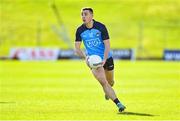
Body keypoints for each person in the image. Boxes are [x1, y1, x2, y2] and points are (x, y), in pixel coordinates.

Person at [74, 7, 126, 112]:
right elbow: (77, 48)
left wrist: (105, 59)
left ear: (92, 16)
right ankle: (119, 104)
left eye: (86, 14)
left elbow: (107, 45)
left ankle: (108, 92)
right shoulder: (80, 30)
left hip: (107, 58)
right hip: (94, 61)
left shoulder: (101, 27)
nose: (83, 16)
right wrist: (86, 58)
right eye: (82, 14)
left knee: (110, 82)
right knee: (103, 82)